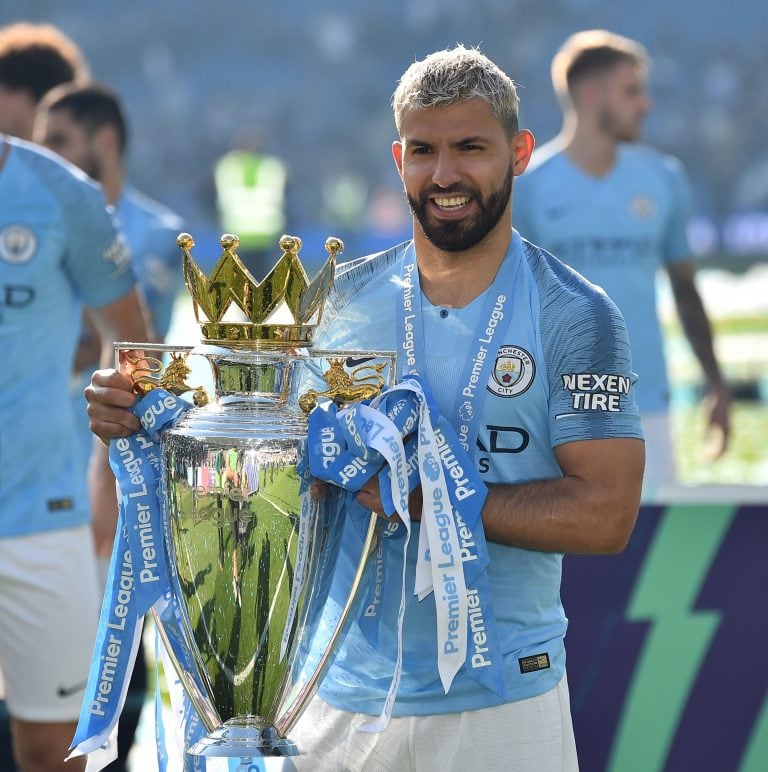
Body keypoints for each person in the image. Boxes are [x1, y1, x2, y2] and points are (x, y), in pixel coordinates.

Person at [86, 46, 645, 771]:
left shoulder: (577, 316)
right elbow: (270, 471)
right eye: (423, 151)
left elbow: (607, 514)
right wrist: (153, 427)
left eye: (470, 148)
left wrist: (428, 499)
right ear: (399, 158)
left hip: (505, 702)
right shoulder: (335, 307)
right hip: (336, 701)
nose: (444, 175)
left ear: (520, 151)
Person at [0, 22, 150, 772]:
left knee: (51, 749)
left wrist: (110, 472)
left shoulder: (60, 194)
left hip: (43, 514)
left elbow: (134, 338)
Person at [33, 81, 185, 772]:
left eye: (59, 140)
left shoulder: (155, 235)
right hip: (39, 472)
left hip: (109, 480)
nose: (46, 155)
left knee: (111, 664)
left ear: (104, 142)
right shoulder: (45, 222)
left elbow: (126, 345)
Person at [514, 29, 730, 488]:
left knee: (651, 550)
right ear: (590, 94)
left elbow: (686, 291)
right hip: (553, 407)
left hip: (645, 403)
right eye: (631, 91)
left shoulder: (664, 178)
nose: (645, 104)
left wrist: (716, 383)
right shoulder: (528, 187)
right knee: (568, 555)